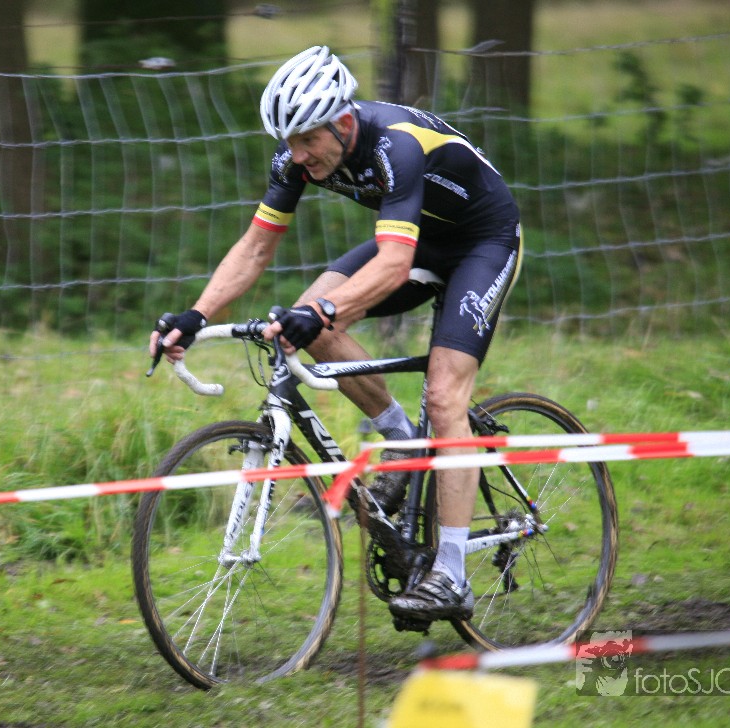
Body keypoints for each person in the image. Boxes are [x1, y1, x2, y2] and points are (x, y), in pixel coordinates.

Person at [148, 46, 521, 623]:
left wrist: (325, 310)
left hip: (483, 242)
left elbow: (393, 264)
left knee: (445, 395)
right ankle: (403, 442)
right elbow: (256, 248)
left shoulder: (396, 144)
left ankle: (452, 575)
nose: (297, 155)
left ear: (343, 123)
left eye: (307, 141)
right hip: (419, 239)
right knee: (304, 324)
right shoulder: (295, 157)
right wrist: (195, 315)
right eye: (289, 142)